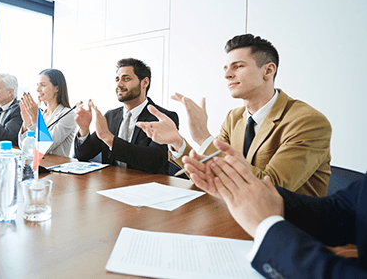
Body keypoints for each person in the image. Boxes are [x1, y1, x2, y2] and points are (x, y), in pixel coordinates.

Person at [137, 34, 331, 196]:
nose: (227, 75)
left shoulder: (308, 121)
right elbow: (213, 170)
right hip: (239, 213)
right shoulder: (234, 117)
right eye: (226, 68)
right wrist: (178, 142)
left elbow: (272, 187)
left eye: (238, 66)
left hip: (291, 227)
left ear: (268, 70)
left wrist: (204, 137)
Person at [184, 140, 366, 278]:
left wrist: (269, 227)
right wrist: (249, 188)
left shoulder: (306, 120)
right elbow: (340, 211)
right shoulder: (234, 117)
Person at [74, 58, 179, 174]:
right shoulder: (110, 116)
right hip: (111, 185)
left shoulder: (164, 118)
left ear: (145, 82)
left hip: (147, 186)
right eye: (117, 79)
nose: (119, 85)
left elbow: (154, 161)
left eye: (126, 79)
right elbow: (83, 155)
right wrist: (84, 129)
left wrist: (110, 139)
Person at [19, 69, 77, 157]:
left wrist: (35, 119)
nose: (37, 89)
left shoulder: (68, 114)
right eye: (37, 85)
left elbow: (44, 148)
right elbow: (23, 146)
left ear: (57, 88)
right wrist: (26, 122)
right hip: (36, 165)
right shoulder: (41, 112)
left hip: (55, 168)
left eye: (43, 85)